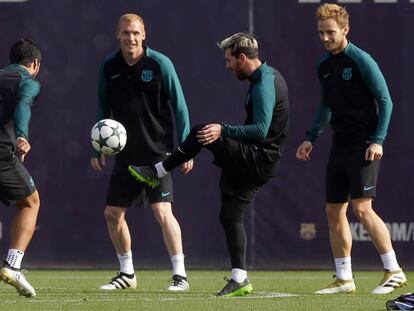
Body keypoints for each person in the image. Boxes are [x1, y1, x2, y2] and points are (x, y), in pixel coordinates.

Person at [129, 32, 289, 296]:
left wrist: (222, 130)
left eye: (229, 60)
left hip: (258, 158)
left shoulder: (265, 83)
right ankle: (240, 278)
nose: (227, 66)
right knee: (229, 215)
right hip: (258, 158)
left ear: (242, 57)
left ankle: (157, 171)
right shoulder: (264, 77)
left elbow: (261, 130)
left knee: (204, 131)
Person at [296, 3, 406, 295]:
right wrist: (311, 137)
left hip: (364, 144)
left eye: (331, 32)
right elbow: (326, 106)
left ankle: (394, 270)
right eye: (321, 33)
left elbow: (385, 101)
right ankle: (344, 279)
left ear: (345, 30)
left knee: (362, 208)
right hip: (340, 144)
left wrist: (377, 140)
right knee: (334, 210)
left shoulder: (361, 60)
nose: (325, 38)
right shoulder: (324, 66)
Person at [90, 13, 193, 292]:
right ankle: (127, 274)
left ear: (144, 34)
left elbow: (180, 107)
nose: (131, 38)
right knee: (112, 214)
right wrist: (97, 147)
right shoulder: (109, 66)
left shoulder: (160, 64)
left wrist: (186, 148)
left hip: (158, 154)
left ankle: (180, 275)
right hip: (125, 156)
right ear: (118, 35)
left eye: (135, 33)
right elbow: (103, 109)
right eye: (125, 33)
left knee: (162, 211)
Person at [0, 39, 42, 298]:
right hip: (2, 154)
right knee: (31, 203)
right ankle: (13, 266)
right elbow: (23, 106)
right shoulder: (28, 81)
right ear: (35, 64)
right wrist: (23, 135)